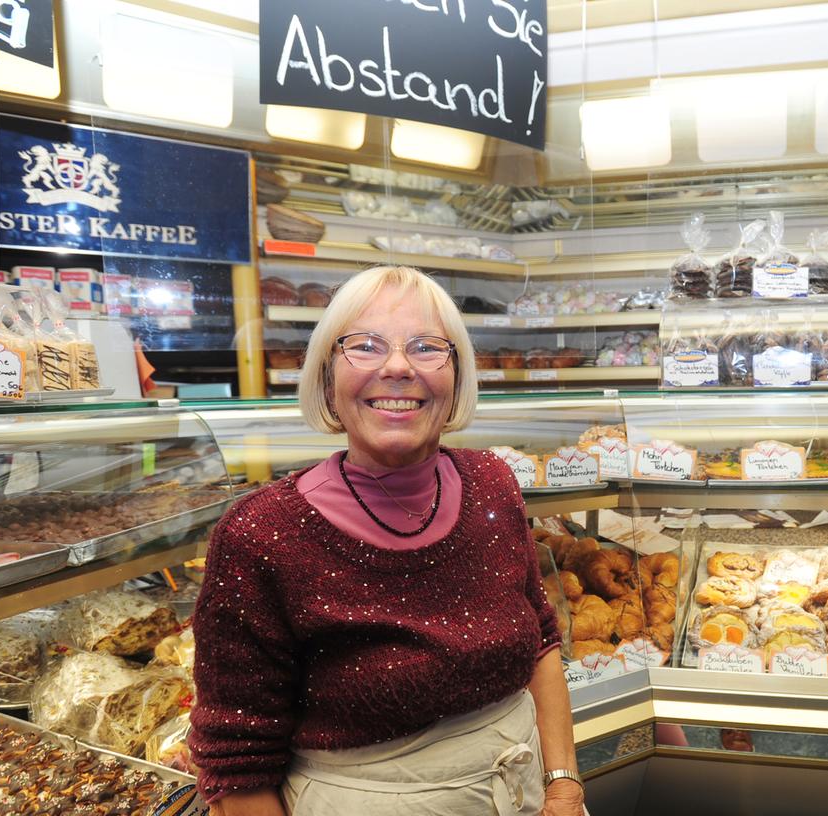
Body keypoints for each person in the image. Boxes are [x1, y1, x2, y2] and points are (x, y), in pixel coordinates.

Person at [189, 265, 584, 816]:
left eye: (426, 347)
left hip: (524, 792)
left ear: (457, 376)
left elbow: (540, 638)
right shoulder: (261, 535)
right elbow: (237, 760)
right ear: (327, 376)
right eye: (365, 346)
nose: (398, 366)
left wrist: (563, 782)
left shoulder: (493, 483)